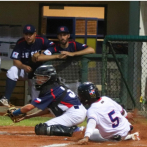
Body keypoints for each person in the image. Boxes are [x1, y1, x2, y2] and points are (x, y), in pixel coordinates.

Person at [10, 64, 87, 137]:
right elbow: (48, 110)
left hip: (74, 114)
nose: (37, 79)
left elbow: (29, 107)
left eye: (41, 77)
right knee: (44, 128)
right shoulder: (55, 86)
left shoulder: (50, 90)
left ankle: (78, 130)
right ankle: (75, 129)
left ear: (49, 78)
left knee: (42, 128)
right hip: (76, 112)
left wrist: (15, 113)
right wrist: (28, 116)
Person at [0, 24, 55, 107]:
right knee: (13, 70)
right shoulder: (20, 42)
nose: (28, 37)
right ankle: (6, 99)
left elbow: (53, 46)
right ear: (23, 35)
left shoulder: (41, 40)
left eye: (31, 34)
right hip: (24, 70)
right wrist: (23, 67)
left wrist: (41, 52)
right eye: (26, 34)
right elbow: (15, 61)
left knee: (35, 102)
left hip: (36, 73)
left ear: (35, 34)